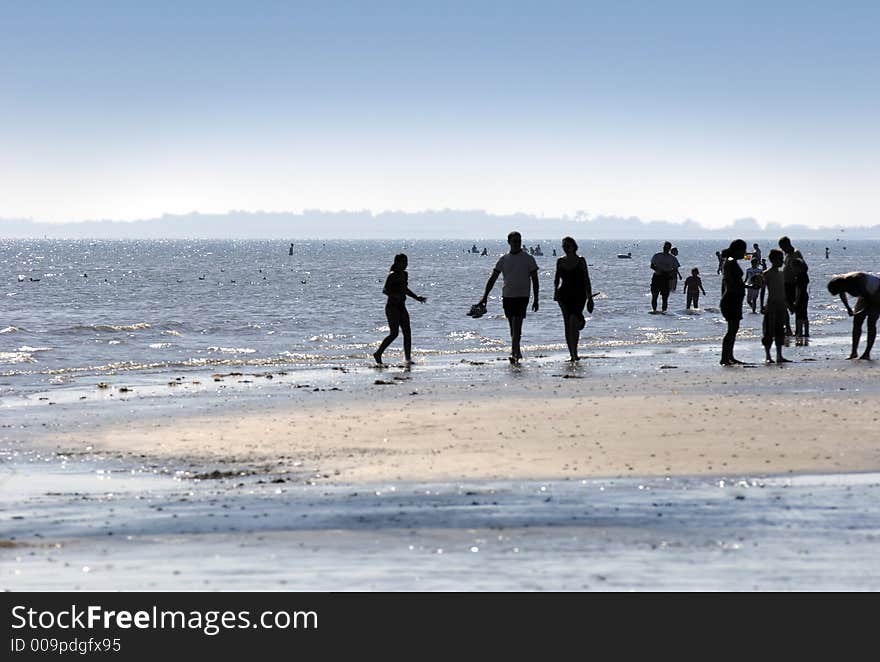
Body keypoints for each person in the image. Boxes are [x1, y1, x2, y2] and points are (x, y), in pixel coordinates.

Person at [478, 231, 539, 364]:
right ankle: (517, 351)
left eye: (519, 241)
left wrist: (536, 298)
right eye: (514, 241)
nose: (517, 243)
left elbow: (535, 279)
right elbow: (493, 278)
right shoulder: (504, 259)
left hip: (523, 296)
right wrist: (485, 297)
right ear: (509, 242)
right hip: (508, 296)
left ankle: (514, 353)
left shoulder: (528, 258)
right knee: (512, 327)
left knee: (517, 324)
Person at [373, 254, 427, 365]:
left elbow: (405, 289)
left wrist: (417, 297)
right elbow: (385, 290)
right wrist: (394, 295)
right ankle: (378, 353)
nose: (406, 264)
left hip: (402, 306)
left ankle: (407, 359)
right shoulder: (392, 275)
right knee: (394, 333)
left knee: (407, 332)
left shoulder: (405, 274)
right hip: (392, 307)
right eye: (403, 262)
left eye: (406, 262)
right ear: (397, 263)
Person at [553, 236, 593, 361]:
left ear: (573, 247)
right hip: (564, 295)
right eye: (563, 246)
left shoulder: (581, 260)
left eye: (567, 246)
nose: (565, 248)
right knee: (567, 324)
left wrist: (590, 297)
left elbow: (586, 279)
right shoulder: (560, 261)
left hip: (579, 295)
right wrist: (555, 293)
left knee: (574, 322)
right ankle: (572, 354)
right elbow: (556, 279)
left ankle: (575, 351)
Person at [827, 272, 880, 360]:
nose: (841, 292)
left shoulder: (856, 280)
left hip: (877, 293)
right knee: (857, 322)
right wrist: (848, 308)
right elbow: (842, 294)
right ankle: (854, 352)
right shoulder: (842, 284)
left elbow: (869, 299)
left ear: (841, 285)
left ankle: (867, 353)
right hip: (865, 295)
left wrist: (862, 311)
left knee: (871, 322)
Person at [719, 239, 748, 365]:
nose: (745, 253)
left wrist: (747, 286)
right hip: (731, 299)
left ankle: (729, 356)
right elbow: (730, 282)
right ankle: (725, 357)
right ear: (737, 250)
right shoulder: (730, 262)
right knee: (732, 329)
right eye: (743, 250)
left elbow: (736, 282)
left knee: (734, 329)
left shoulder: (731, 261)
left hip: (735, 298)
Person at [759, 249, 790, 364]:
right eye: (780, 259)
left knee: (779, 331)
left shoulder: (782, 274)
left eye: (782, 259)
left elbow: (784, 291)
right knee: (768, 331)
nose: (782, 261)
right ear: (773, 260)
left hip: (781, 305)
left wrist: (788, 305)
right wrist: (761, 305)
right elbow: (762, 290)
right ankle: (768, 355)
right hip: (771, 305)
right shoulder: (767, 273)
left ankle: (779, 355)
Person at [650, 241, 678, 313]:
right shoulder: (657, 255)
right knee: (654, 295)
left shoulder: (673, 258)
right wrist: (657, 269)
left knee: (665, 298)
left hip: (666, 278)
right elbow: (652, 265)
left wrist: (670, 274)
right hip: (657, 276)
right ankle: (654, 310)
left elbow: (675, 269)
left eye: (667, 247)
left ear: (669, 249)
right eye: (665, 247)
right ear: (663, 247)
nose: (665, 248)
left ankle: (664, 312)